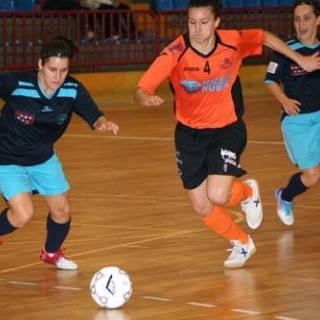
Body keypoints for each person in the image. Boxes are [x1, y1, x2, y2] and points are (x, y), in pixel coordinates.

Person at [133, 0, 320, 268]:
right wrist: (144, 98)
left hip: (226, 129)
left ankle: (246, 192)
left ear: (217, 22)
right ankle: (242, 243)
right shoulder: (175, 52)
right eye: (192, 23)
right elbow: (142, 88)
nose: (197, 29)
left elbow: (264, 37)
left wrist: (301, 59)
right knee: (201, 205)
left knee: (218, 195)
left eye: (204, 22)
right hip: (189, 134)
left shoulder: (232, 41)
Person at [0, 36, 119, 270]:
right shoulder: (16, 84)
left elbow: (93, 114)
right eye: (52, 69)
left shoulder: (72, 89)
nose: (58, 76)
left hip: (43, 157)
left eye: (64, 70)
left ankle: (51, 252)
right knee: (23, 214)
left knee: (62, 211)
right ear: (40, 65)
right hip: (7, 158)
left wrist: (101, 123)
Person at [264, 0, 320, 226]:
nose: (301, 23)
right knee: (313, 176)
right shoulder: (286, 50)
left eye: (306, 18)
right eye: (297, 19)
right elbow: (269, 80)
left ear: (318, 20)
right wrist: (284, 99)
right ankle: (285, 197)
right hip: (298, 122)